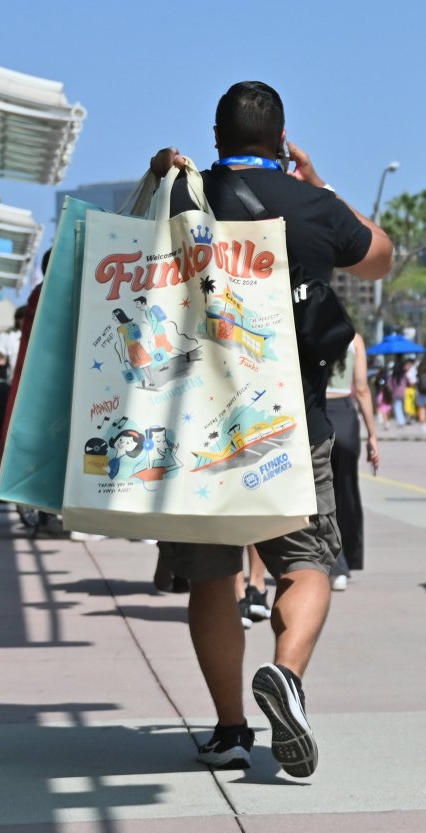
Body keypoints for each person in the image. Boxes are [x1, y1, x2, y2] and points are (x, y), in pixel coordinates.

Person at [149, 80, 394, 776]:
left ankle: (230, 730)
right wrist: (320, 183)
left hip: (196, 422)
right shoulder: (313, 206)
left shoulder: (182, 200)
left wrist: (163, 176)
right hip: (293, 417)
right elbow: (380, 256)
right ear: (280, 142)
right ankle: (285, 673)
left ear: (217, 138)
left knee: (211, 575)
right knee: (308, 559)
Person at [327, 334, 382, 591]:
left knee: (316, 492)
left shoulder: (302, 329)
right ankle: (343, 562)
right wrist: (372, 434)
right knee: (345, 491)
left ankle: (321, 560)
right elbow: (361, 388)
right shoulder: (354, 339)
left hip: (313, 412)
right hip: (344, 416)